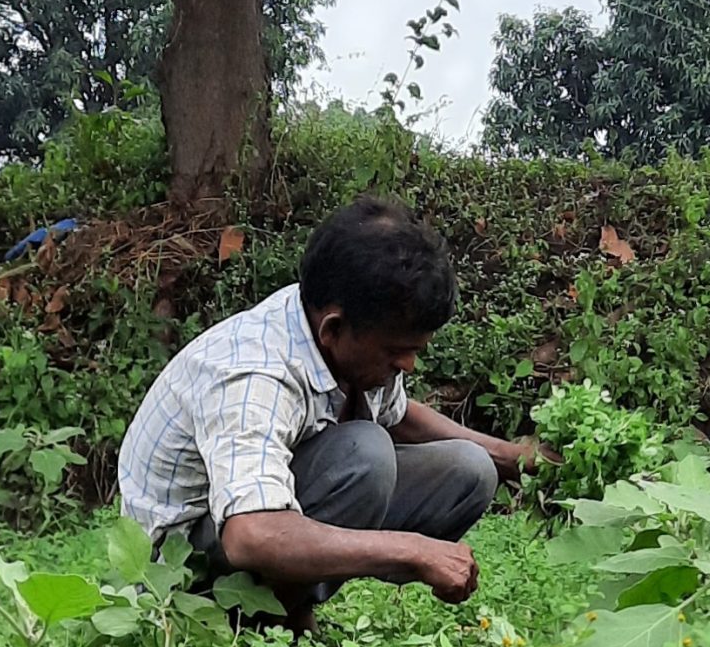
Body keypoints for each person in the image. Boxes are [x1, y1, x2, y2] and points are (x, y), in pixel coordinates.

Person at [118, 198, 539, 625]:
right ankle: (266, 620)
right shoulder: (253, 373)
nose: (409, 366)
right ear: (333, 328)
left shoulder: (340, 332)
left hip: (250, 523)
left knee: (470, 469)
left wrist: (511, 456)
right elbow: (251, 535)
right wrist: (413, 551)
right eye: (397, 351)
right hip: (179, 570)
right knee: (365, 454)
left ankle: (288, 601)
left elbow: (398, 415)